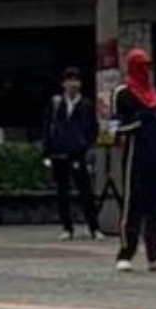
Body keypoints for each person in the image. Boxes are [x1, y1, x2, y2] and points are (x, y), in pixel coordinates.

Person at [112, 49, 156, 273]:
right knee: (133, 204)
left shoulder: (154, 93)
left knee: (155, 206)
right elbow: (115, 127)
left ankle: (154, 255)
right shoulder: (123, 93)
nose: (147, 71)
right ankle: (125, 252)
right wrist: (141, 122)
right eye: (143, 66)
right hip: (135, 154)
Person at [42, 67, 102, 241]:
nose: (73, 84)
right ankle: (67, 227)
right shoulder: (56, 103)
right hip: (59, 152)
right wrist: (47, 152)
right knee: (63, 192)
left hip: (78, 153)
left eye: (76, 80)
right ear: (63, 84)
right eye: (69, 80)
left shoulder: (86, 104)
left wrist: (86, 145)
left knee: (85, 192)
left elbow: (92, 128)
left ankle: (94, 227)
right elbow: (47, 127)